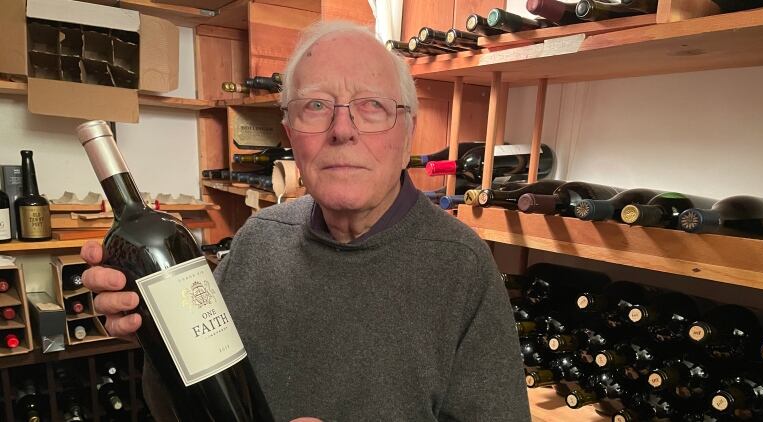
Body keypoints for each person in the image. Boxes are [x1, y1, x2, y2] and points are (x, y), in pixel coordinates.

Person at [81, 20, 530, 421]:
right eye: (315, 106)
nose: (342, 129)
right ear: (290, 134)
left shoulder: (462, 267)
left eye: (371, 104)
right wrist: (152, 332)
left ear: (407, 130)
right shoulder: (259, 241)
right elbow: (188, 403)